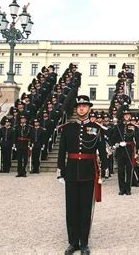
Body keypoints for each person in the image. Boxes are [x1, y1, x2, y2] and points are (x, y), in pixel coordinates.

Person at [57, 95, 107, 255]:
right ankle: (73, 242)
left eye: (85, 106)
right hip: (71, 172)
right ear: (76, 109)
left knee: (85, 209)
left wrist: (104, 170)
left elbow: (102, 152)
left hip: (88, 172)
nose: (82, 108)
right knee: (71, 209)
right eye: (79, 106)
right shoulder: (67, 128)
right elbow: (61, 152)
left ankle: (84, 242)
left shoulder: (97, 128)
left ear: (89, 108)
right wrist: (60, 171)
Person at [111, 109, 136, 195]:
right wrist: (118, 143)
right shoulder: (118, 126)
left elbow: (136, 138)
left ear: (130, 116)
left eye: (128, 115)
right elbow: (113, 137)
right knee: (121, 170)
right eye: (125, 115)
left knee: (129, 170)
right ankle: (122, 188)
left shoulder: (133, 126)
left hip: (129, 150)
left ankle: (128, 189)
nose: (126, 116)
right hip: (120, 150)